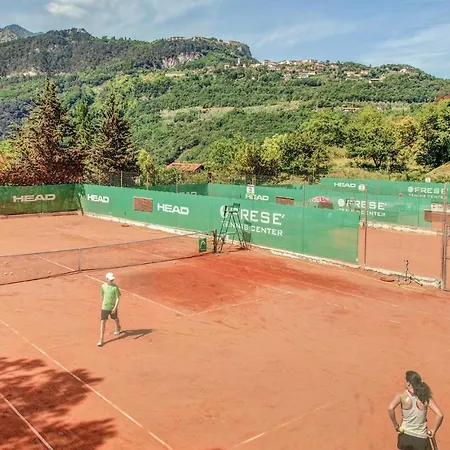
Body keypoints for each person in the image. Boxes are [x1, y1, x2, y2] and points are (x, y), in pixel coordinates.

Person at [388, 370, 443, 450]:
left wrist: (396, 425)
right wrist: (433, 431)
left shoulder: (401, 396)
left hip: (405, 437)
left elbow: (390, 408)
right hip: (421, 440)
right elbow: (440, 415)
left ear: (408, 383)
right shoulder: (425, 397)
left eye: (405, 380)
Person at [97, 272, 122, 347]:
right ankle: (101, 339)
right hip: (105, 307)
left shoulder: (115, 287)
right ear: (107, 279)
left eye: (112, 280)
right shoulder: (103, 286)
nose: (112, 281)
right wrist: (102, 304)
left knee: (115, 318)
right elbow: (102, 295)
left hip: (112, 307)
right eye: (110, 280)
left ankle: (118, 327)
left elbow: (117, 298)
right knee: (103, 321)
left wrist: (115, 307)